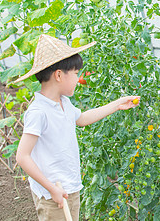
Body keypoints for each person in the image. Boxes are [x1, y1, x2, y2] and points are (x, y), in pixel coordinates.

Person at [15, 34, 140, 221]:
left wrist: (117, 104)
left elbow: (82, 118)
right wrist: (51, 188)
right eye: (75, 74)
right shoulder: (39, 111)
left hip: (70, 187)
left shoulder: (63, 103)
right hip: (53, 195)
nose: (78, 78)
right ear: (59, 75)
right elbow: (22, 156)